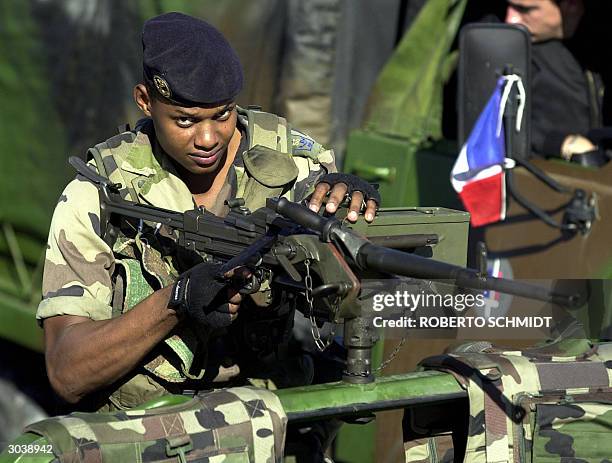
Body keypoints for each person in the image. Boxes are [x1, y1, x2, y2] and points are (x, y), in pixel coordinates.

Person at [38, 11, 379, 416]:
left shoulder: (293, 164)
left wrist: (356, 209)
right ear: (145, 100)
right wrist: (176, 302)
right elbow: (67, 373)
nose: (207, 139)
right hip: (149, 433)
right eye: (185, 121)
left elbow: (362, 280)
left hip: (271, 420)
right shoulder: (97, 195)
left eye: (222, 115)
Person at [504, 0, 609, 161]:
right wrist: (561, 143)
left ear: (572, 5)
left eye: (524, 10)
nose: (510, 19)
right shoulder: (504, 40)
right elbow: (494, 124)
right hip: (541, 176)